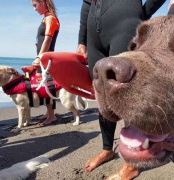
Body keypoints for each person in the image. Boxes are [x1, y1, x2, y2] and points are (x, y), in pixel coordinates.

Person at [77, 0, 166, 179]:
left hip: (124, 22)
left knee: (127, 90)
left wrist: (141, 13)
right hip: (94, 33)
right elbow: (87, 3)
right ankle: (107, 148)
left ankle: (133, 162)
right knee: (102, 90)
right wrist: (82, 40)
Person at [31, 0, 60, 126]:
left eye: (35, 5)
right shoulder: (46, 18)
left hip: (45, 60)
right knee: (45, 86)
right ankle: (49, 113)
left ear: (42, 2)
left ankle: (52, 116)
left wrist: (39, 57)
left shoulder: (50, 18)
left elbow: (48, 39)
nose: (34, 9)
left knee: (46, 87)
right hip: (44, 59)